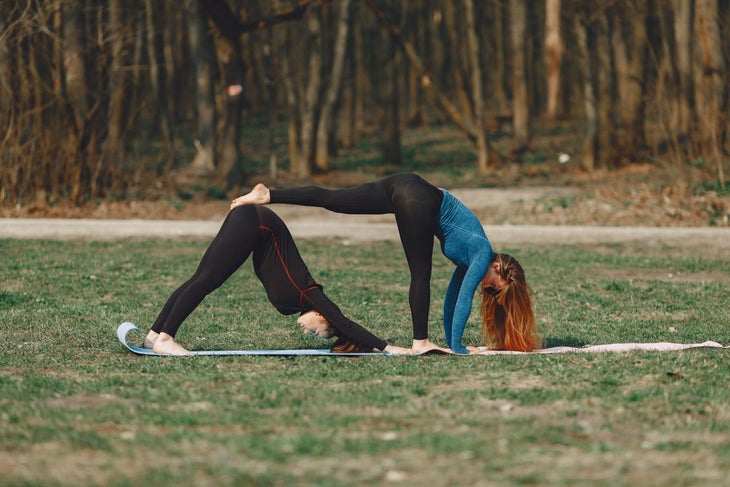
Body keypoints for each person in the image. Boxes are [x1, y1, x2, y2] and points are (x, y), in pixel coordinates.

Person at [231, 173, 541, 354]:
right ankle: (420, 342)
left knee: (335, 199)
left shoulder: (471, 258)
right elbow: (462, 302)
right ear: (500, 268)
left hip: (405, 185)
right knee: (420, 273)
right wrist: (458, 348)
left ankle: (269, 194)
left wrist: (454, 342)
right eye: (494, 284)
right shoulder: (483, 254)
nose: (486, 287)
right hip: (419, 198)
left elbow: (451, 302)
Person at [144, 204, 411, 356]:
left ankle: (154, 335)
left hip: (254, 226)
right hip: (255, 221)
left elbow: (342, 329)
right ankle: (166, 339)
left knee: (202, 278)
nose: (308, 333)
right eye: (317, 331)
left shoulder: (295, 304)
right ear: (321, 314)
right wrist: (388, 348)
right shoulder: (309, 292)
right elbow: (343, 323)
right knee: (207, 279)